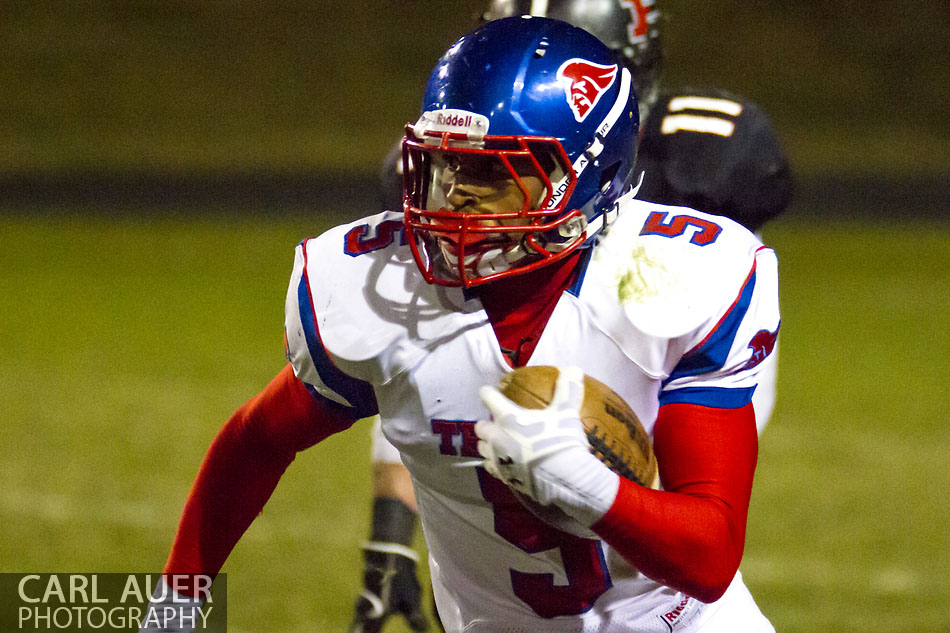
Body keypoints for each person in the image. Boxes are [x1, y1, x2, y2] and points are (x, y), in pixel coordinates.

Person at [144, 16, 780, 633]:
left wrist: (591, 489)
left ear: (589, 178)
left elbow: (710, 556)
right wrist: (177, 602)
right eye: (447, 165)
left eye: (493, 171)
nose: (455, 195)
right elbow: (257, 440)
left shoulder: (671, 281)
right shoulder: (380, 292)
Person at [356, 2, 792, 631]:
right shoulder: (456, 181)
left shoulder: (705, 167)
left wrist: (609, 478)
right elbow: (417, 365)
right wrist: (391, 532)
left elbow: (725, 361)